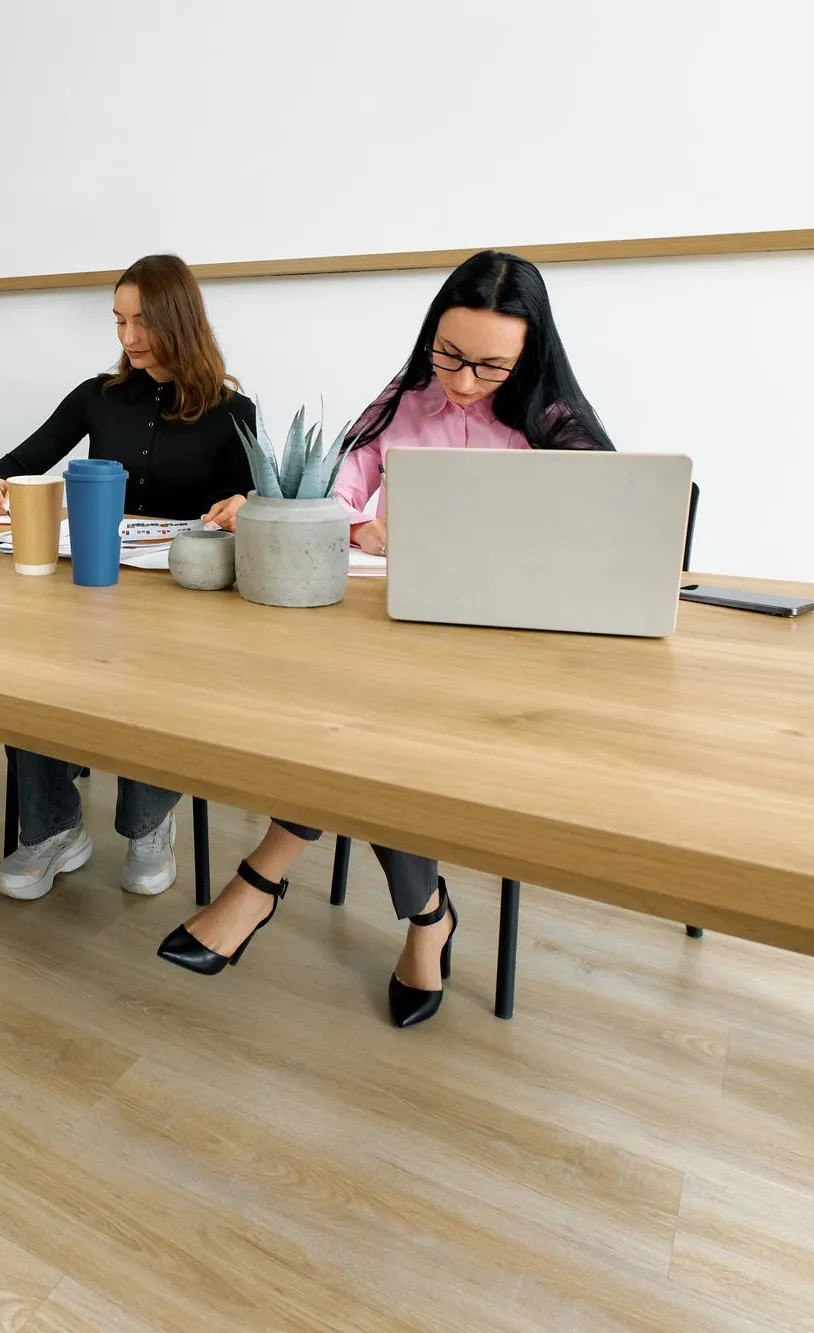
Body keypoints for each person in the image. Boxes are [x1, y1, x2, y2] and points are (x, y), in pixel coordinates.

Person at [156, 250, 613, 1027]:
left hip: (506, 673)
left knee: (361, 728)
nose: (463, 382)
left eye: (490, 367)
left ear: (530, 356)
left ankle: (262, 880)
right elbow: (336, 486)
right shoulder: (405, 399)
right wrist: (352, 520)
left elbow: (597, 547)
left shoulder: (558, 429)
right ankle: (427, 914)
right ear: (430, 334)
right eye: (449, 354)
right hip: (401, 645)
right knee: (357, 718)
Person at [0, 254, 256, 903]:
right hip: (94, 585)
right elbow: (20, 464)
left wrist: (247, 503)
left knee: (163, 665)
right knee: (32, 657)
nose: (128, 338)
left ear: (179, 322)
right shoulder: (96, 397)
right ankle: (53, 827)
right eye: (120, 320)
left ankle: (149, 822)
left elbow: (268, 499)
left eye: (143, 322)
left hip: (184, 599)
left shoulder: (231, 409)